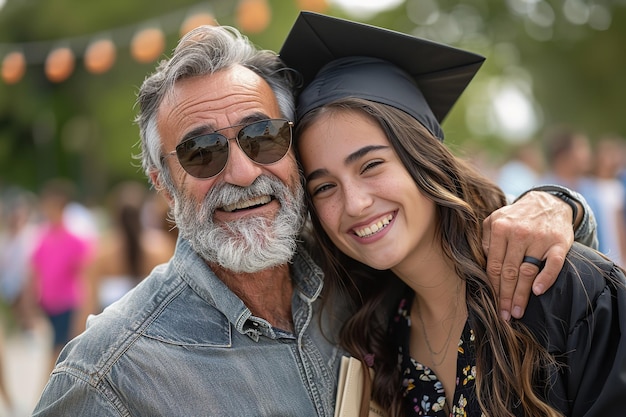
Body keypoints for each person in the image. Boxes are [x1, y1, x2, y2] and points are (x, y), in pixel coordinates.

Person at [33, 15, 597, 416]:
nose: (243, 173)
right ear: (162, 182)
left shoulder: (358, 276)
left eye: (261, 137)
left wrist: (558, 204)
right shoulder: (113, 375)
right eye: (201, 152)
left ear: (292, 156)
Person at [289, 13, 626, 417]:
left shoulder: (560, 290)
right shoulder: (379, 343)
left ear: (425, 158)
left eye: (372, 165)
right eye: (324, 187)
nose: (355, 204)